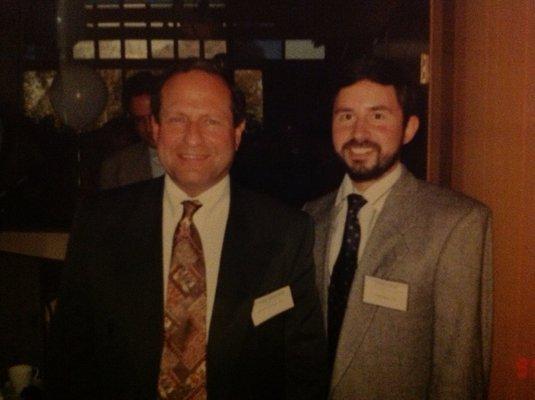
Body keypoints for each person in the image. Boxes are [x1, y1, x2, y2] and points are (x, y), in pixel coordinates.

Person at [46, 59, 327, 399]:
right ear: (156, 129)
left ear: (237, 133)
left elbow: (303, 368)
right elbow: (69, 357)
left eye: (211, 120)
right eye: (178, 119)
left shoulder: (286, 232)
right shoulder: (99, 222)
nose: (192, 137)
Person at [303, 57, 492, 399]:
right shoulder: (309, 218)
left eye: (377, 116)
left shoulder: (455, 224)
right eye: (346, 116)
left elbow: (458, 371)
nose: (359, 133)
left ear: (409, 128)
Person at [99, 71, 165, 189]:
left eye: (154, 117)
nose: (149, 127)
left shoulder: (197, 156)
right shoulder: (117, 167)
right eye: (140, 120)